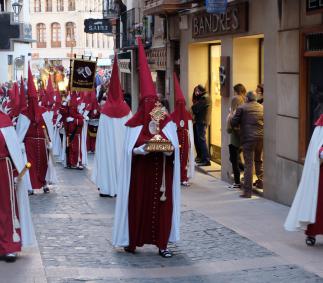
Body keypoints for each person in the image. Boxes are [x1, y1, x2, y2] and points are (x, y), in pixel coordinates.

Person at [113, 38, 181, 258]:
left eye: (155, 101)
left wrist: (167, 150)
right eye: (149, 101)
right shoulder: (135, 121)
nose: (153, 106)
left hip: (161, 175)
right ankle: (133, 241)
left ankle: (163, 244)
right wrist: (141, 149)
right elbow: (128, 150)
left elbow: (173, 145)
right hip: (141, 176)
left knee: (163, 209)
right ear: (143, 102)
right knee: (138, 207)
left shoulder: (163, 116)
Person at [92, 54, 132, 197]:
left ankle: (107, 187)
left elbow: (101, 137)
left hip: (108, 148)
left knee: (108, 162)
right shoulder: (127, 110)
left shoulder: (106, 112)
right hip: (122, 146)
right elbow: (132, 130)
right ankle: (121, 187)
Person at [0, 110, 36, 262]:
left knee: (6, 208)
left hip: (2, 167)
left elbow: (11, 149)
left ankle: (8, 245)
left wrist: (16, 172)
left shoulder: (4, 119)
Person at [16, 66, 57, 194]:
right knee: (30, 165)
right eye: (31, 99)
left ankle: (44, 183)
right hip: (29, 144)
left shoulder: (44, 112)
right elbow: (20, 132)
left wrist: (49, 141)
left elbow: (48, 128)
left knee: (43, 164)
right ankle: (30, 186)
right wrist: (20, 144)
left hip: (42, 143)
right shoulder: (24, 114)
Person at [284, 115, 323, 246]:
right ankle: (312, 233)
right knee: (318, 204)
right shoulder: (320, 129)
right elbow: (319, 151)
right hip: (320, 176)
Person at [230, 91, 264, 198]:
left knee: (249, 164)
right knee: (258, 160)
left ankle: (247, 192)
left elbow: (234, 122)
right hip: (260, 138)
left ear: (247, 99)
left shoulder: (242, 108)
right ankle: (261, 182)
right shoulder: (261, 107)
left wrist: (232, 114)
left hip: (248, 138)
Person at [171, 72, 195, 186]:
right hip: (179, 139)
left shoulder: (175, 115)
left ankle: (182, 176)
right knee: (177, 158)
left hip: (184, 139)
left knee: (184, 159)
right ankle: (178, 176)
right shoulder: (181, 114)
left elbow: (190, 128)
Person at [226, 84, 246, 189]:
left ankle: (237, 181)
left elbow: (230, 127)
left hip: (235, 137)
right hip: (244, 136)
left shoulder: (236, 100)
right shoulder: (245, 101)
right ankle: (243, 173)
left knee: (234, 159)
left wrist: (229, 117)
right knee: (235, 158)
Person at [191, 85, 211, 166]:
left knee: (202, 140)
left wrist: (193, 107)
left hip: (201, 121)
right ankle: (202, 158)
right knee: (199, 140)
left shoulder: (204, 98)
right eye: (195, 91)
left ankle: (206, 159)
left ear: (200, 90)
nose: (196, 92)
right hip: (199, 121)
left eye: (197, 91)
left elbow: (195, 108)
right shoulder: (203, 97)